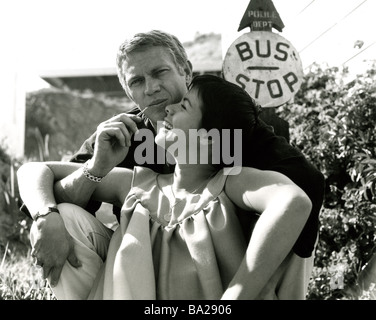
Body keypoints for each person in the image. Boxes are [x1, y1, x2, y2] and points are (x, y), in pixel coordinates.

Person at [19, 30, 324, 297]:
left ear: (185, 70)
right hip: (143, 267)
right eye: (137, 81)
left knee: (292, 222)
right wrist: (89, 176)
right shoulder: (122, 137)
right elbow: (40, 175)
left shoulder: (226, 119)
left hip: (224, 265)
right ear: (128, 92)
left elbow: (304, 190)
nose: (150, 88)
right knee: (64, 217)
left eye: (160, 72)